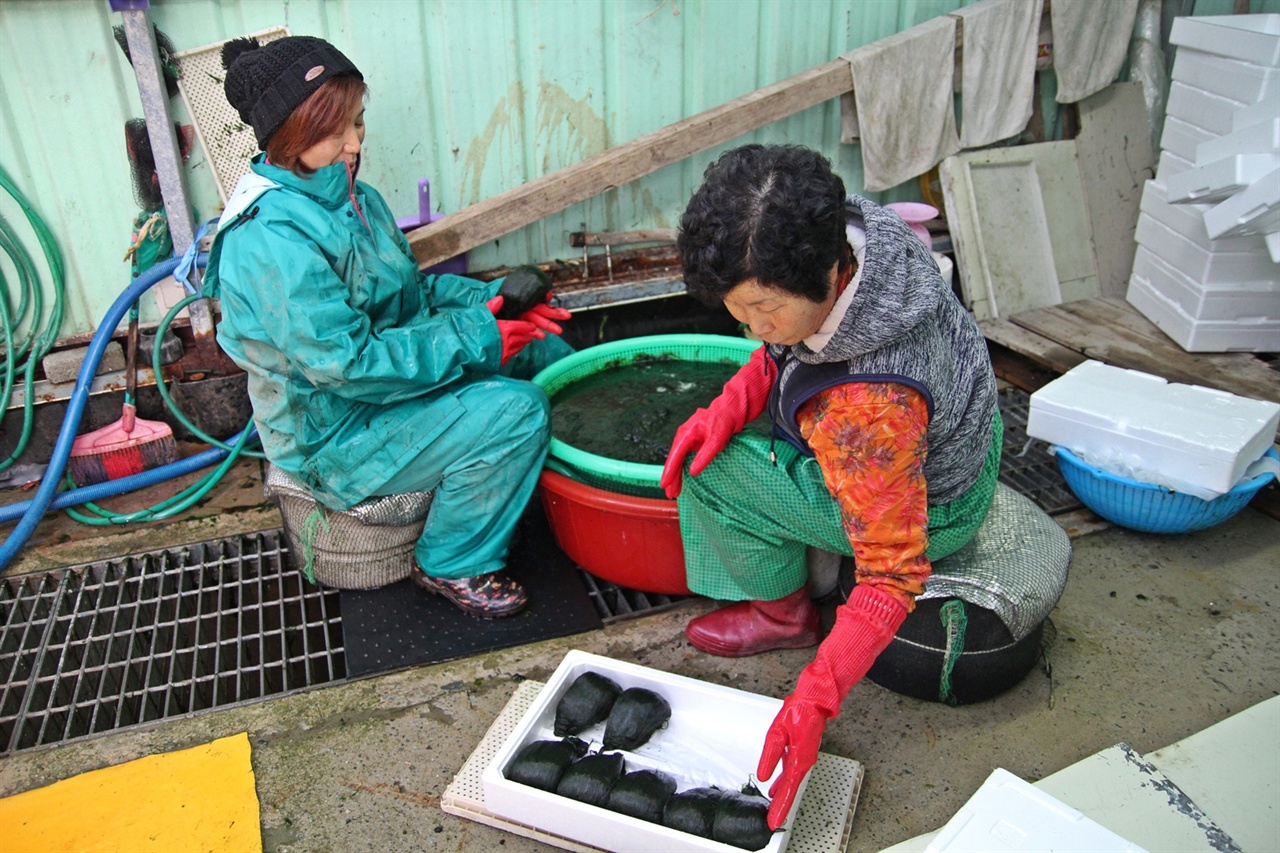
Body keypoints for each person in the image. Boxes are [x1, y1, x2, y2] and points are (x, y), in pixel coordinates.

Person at [662, 144, 1002, 828]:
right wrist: (731, 401)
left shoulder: (868, 410)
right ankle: (805, 556)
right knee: (727, 429)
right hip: (971, 430)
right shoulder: (857, 230)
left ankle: (783, 616)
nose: (753, 326)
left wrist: (814, 697)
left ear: (824, 271)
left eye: (763, 307)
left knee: (715, 472)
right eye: (738, 309)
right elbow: (779, 350)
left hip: (934, 504)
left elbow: (892, 576)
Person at [205, 35, 572, 618]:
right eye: (334, 131)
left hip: (380, 392)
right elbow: (347, 365)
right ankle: (453, 562)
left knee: (543, 354)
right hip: (335, 434)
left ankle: (545, 497)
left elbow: (410, 295)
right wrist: (478, 335)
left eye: (358, 121)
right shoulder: (269, 240)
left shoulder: (355, 197)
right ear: (287, 137)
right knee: (517, 409)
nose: (354, 143)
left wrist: (496, 302)